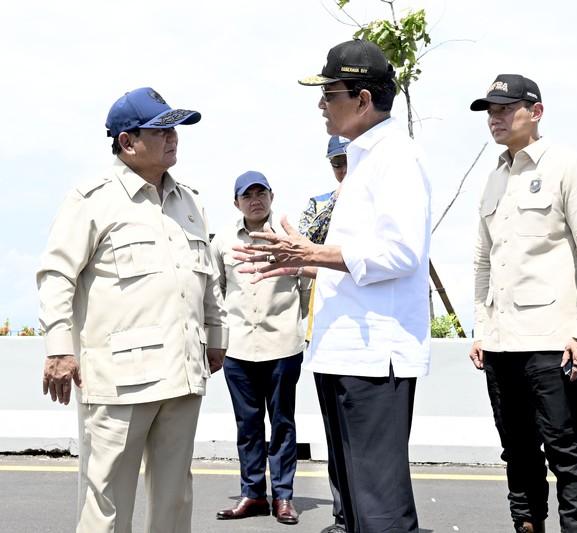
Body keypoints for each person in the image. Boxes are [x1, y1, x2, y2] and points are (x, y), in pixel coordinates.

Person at [234, 39, 432, 533]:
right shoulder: (365, 159)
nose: (321, 105)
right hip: (343, 352)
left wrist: (312, 253)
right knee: (357, 509)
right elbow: (356, 262)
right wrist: (302, 263)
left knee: (380, 510)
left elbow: (402, 253)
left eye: (330, 93)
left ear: (363, 100)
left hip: (373, 358)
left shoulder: (397, 157)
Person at [37, 87, 227, 533]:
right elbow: (56, 276)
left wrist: (216, 338)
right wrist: (59, 349)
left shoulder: (191, 201)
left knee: (175, 498)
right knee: (107, 501)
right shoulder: (92, 199)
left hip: (183, 374)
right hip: (119, 379)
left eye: (175, 128)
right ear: (127, 141)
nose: (173, 137)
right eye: (161, 129)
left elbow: (207, 280)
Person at [468, 74, 577, 533]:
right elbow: (482, 262)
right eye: (490, 110)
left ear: (536, 111)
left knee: (565, 448)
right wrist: (480, 327)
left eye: (506, 108)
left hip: (554, 340)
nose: (496, 118)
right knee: (516, 449)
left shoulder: (570, 167)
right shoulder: (493, 178)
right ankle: (527, 525)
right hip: (500, 342)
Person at [211, 171, 310, 525]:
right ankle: (252, 493)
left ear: (272, 196)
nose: (255, 199)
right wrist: (217, 340)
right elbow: (216, 290)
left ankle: (283, 496)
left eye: (261, 192)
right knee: (247, 424)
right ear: (236, 202)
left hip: (282, 345)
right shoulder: (222, 240)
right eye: (247, 194)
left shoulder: (289, 237)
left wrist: (299, 328)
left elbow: (306, 286)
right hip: (238, 348)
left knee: (283, 423)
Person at [297, 135, 350, 533]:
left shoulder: (377, 200)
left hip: (368, 335)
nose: (343, 168)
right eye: (336, 162)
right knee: (335, 438)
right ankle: (342, 514)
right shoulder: (320, 207)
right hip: (325, 330)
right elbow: (299, 257)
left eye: (348, 159)